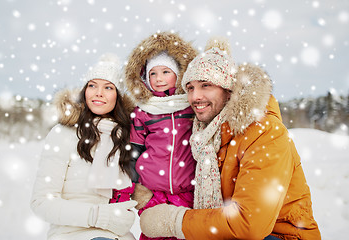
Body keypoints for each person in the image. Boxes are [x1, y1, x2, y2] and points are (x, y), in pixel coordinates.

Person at [137, 37, 321, 239]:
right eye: (190, 88)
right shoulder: (205, 136)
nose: (195, 97)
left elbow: (249, 224)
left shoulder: (265, 132)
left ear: (228, 90)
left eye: (206, 85)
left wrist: (174, 221)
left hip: (280, 236)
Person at [30, 53, 138, 240]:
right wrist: (97, 216)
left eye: (108, 87)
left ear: (117, 97)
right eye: (92, 85)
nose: (99, 93)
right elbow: (41, 202)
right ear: (84, 91)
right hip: (71, 234)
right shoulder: (64, 134)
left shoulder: (126, 137)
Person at [124, 31, 198, 240]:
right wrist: (137, 189)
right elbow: (134, 151)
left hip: (188, 191)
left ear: (179, 74)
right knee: (155, 234)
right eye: (153, 74)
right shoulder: (143, 110)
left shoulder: (191, 106)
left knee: (187, 234)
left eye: (165, 72)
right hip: (153, 192)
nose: (159, 79)